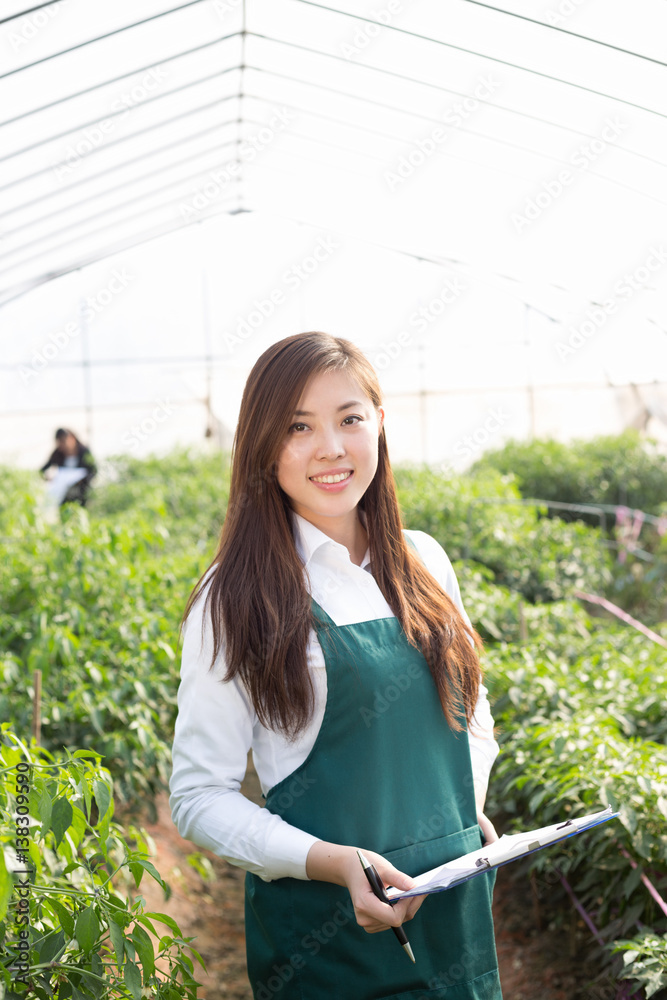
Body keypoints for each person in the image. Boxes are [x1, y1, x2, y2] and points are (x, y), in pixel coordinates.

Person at [169, 331, 503, 999]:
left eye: (349, 419)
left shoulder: (424, 563)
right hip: (328, 950)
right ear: (264, 448)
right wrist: (333, 864)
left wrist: (465, 820)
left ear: (379, 425)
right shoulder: (236, 597)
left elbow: (473, 726)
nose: (331, 447)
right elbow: (198, 797)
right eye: (298, 427)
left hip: (453, 922)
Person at [39, 428, 97, 507]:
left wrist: (83, 480)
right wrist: (48, 477)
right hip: (64, 494)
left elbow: (93, 470)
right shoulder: (58, 454)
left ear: (72, 438)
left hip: (82, 492)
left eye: (64, 442)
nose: (63, 446)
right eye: (60, 443)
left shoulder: (84, 452)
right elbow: (43, 470)